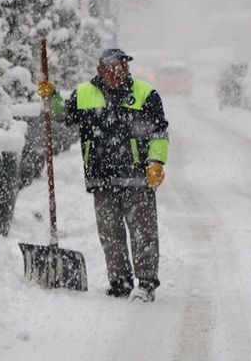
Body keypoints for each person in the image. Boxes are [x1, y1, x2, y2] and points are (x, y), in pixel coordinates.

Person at [38, 48, 169, 302]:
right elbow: (63, 115)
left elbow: (159, 133)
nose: (116, 73)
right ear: (100, 71)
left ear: (127, 69)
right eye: (110, 69)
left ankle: (146, 284)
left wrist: (155, 162)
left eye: (121, 68)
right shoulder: (85, 94)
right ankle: (119, 282)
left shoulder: (145, 95)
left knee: (143, 233)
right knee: (110, 234)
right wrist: (51, 97)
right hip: (101, 178)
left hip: (137, 178)